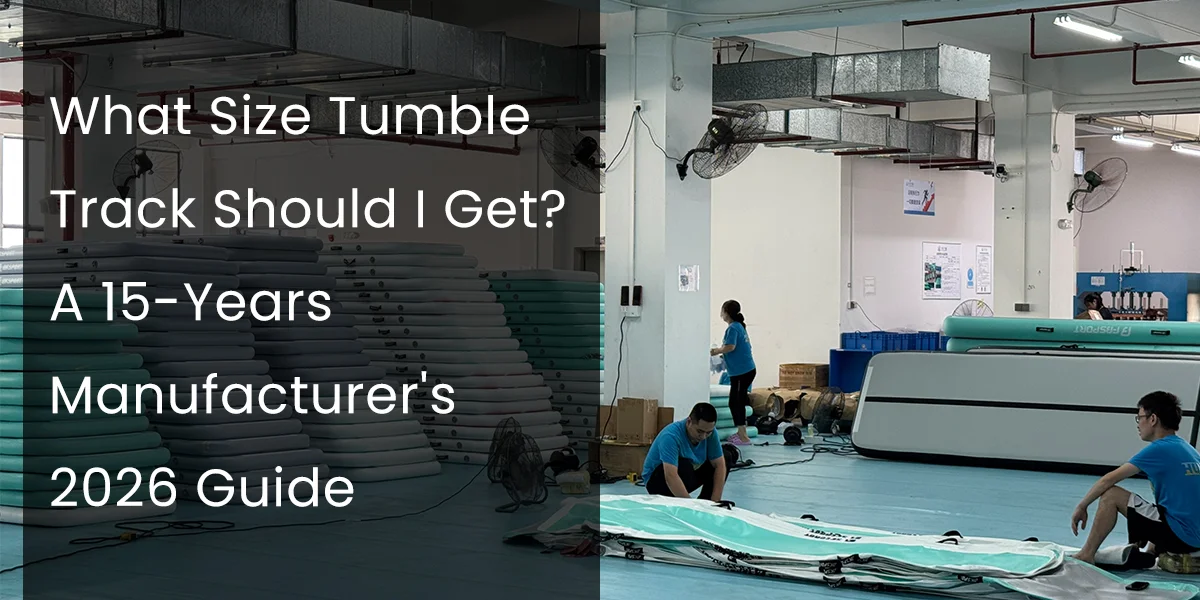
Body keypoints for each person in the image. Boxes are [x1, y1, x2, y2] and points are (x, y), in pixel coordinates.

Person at [1070, 391, 1200, 573]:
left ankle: (1087, 554)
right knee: (1162, 507)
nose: (1138, 424)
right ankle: (1150, 554)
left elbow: (1109, 479)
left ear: (1152, 419)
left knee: (1112, 494)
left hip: (1182, 538)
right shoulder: (1189, 450)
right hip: (1195, 537)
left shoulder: (1159, 449)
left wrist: (1082, 506)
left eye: (1139, 418)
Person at [642, 402, 728, 502]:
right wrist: (691, 506)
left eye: (708, 433)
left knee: (726, 456)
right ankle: (684, 501)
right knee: (684, 466)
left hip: (684, 477)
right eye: (699, 431)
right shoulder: (671, 436)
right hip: (658, 482)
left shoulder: (711, 433)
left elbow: (719, 465)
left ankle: (707, 502)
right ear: (689, 422)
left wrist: (715, 502)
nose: (704, 437)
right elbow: (670, 475)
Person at [711, 299, 755, 445]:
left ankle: (743, 436)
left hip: (742, 372)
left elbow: (730, 346)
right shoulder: (739, 327)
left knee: (736, 402)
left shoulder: (733, 328)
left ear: (726, 312)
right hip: (743, 371)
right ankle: (741, 433)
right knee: (734, 402)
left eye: (722, 310)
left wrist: (715, 351)